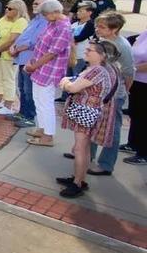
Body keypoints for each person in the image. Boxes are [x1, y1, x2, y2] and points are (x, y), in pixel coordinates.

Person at [57, 40, 121, 198]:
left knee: (80, 148)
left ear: (102, 55)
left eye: (90, 50)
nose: (85, 52)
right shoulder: (108, 69)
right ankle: (79, 178)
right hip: (92, 111)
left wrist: (65, 82)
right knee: (84, 148)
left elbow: (73, 87)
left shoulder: (96, 70)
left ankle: (77, 183)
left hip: (86, 111)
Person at [86, 11, 135, 176]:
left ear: (115, 29)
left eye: (102, 27)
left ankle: (106, 164)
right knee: (92, 122)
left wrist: (123, 91)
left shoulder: (122, 46)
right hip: (98, 91)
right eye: (97, 26)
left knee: (112, 129)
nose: (98, 29)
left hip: (114, 94)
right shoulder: (102, 40)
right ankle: (87, 154)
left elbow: (129, 72)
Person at [23, 0, 72, 147]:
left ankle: (48, 135)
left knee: (45, 102)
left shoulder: (63, 27)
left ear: (56, 12)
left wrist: (34, 65)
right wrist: (32, 62)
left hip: (50, 69)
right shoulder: (53, 22)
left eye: (46, 15)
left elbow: (52, 52)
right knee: (38, 99)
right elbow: (40, 44)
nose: (45, 17)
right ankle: (42, 128)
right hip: (40, 67)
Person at [8, 0, 51, 128]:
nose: (34, 5)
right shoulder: (35, 20)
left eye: (38, 4)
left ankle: (29, 117)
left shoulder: (46, 22)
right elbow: (24, 36)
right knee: (21, 87)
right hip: (22, 58)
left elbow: (35, 41)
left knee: (29, 90)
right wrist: (14, 46)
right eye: (34, 3)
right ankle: (22, 112)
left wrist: (18, 48)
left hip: (31, 60)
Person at [122, 30, 147, 166]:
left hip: (145, 83)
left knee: (144, 118)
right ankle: (133, 143)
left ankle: (143, 153)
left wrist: (131, 68)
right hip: (136, 81)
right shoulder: (143, 34)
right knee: (134, 113)